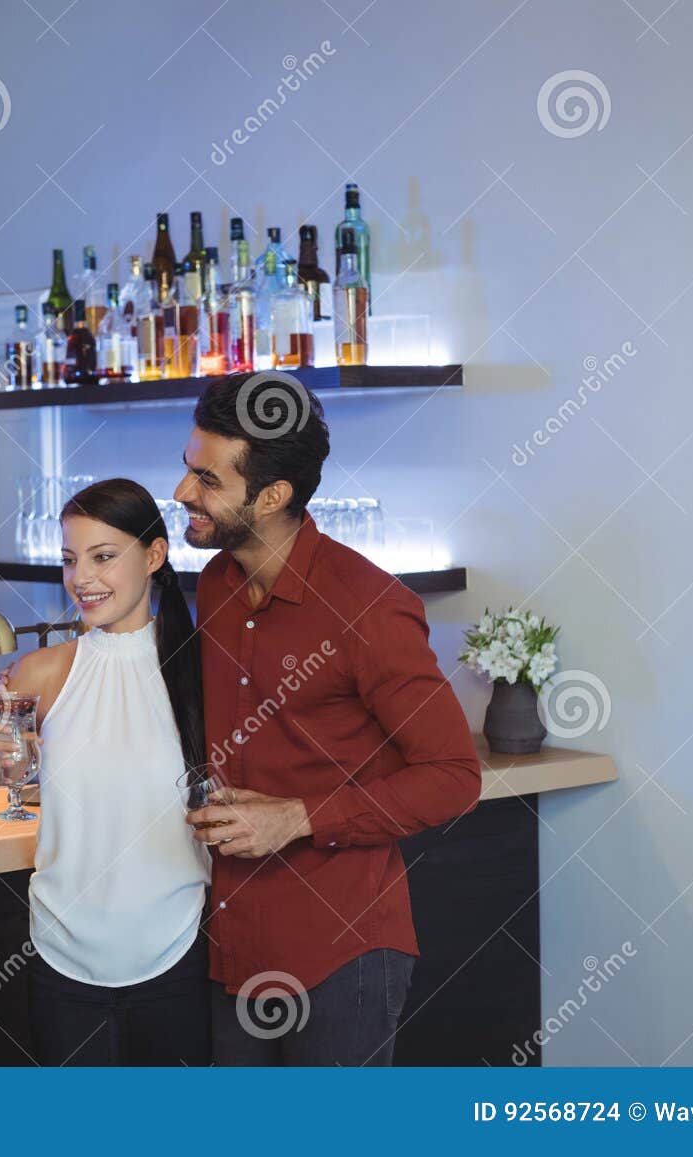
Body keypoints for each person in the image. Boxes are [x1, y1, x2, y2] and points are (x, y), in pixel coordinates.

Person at [174, 376, 482, 1066]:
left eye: (205, 478)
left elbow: (455, 777)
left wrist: (297, 816)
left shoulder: (369, 607)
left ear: (272, 496)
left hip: (342, 948)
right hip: (234, 941)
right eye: (187, 467)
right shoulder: (218, 582)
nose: (182, 492)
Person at [0, 478, 211, 1066]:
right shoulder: (37, 674)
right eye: (70, 560)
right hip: (60, 961)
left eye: (103, 557)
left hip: (179, 954)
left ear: (155, 555)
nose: (81, 579)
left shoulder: (203, 673)